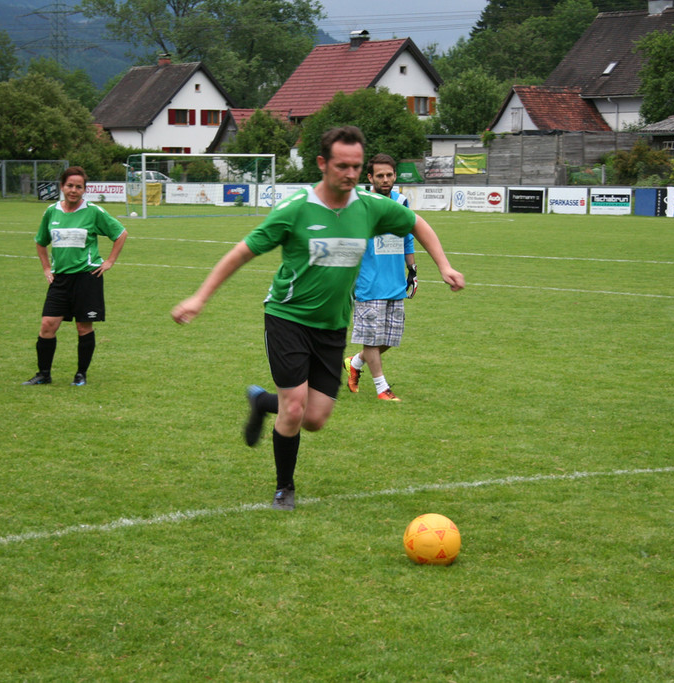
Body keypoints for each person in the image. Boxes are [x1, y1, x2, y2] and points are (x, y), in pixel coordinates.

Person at [171, 126, 465, 511]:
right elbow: (242, 252)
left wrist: (444, 265)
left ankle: (262, 402)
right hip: (287, 318)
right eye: (343, 166)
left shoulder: (369, 206)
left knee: (315, 419)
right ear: (323, 163)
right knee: (294, 408)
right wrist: (200, 298)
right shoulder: (296, 209)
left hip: (332, 326)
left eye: (356, 166)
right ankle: (284, 488)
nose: (351, 174)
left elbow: (415, 223)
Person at [23, 166, 128, 386]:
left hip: (87, 277)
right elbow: (41, 241)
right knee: (47, 325)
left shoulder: (93, 212)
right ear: (62, 187)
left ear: (84, 190)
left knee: (83, 327)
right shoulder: (51, 211)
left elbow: (120, 233)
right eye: (70, 185)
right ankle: (43, 374)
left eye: (79, 187)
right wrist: (46, 268)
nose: (74, 190)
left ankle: (81, 374)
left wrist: (109, 262)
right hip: (60, 279)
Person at [343, 153, 418, 401]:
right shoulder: (361, 203)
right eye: (380, 175)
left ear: (395, 176)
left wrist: (412, 269)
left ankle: (354, 363)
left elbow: (408, 236)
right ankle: (381, 388)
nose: (385, 179)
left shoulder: (401, 202)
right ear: (370, 177)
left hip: (395, 281)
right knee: (372, 338)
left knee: (390, 338)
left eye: (389, 175)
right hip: (369, 281)